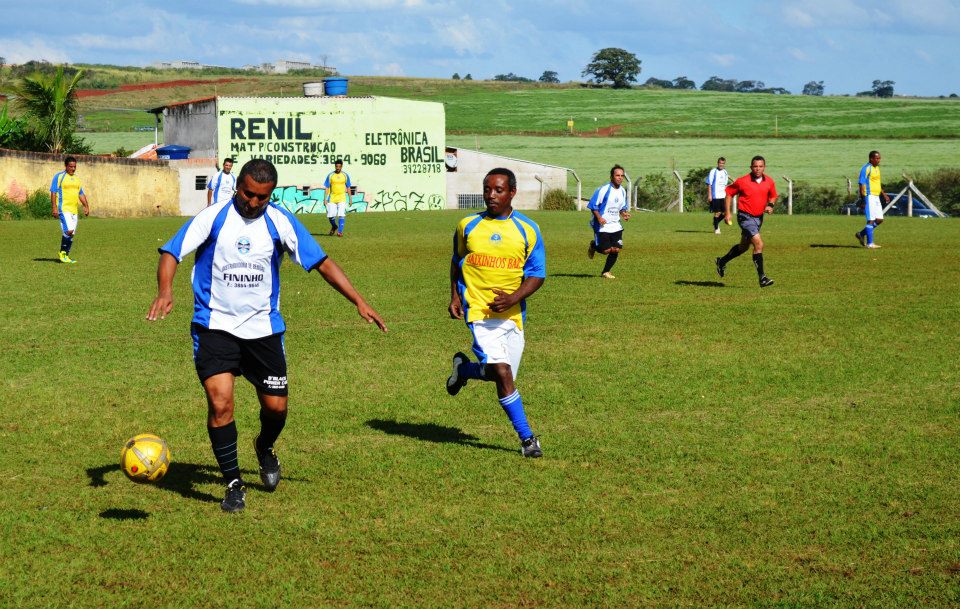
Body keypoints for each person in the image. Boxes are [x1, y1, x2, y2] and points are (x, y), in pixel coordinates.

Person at [146, 159, 387, 513]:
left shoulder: (280, 221)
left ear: (270, 193)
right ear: (238, 186)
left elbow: (322, 263)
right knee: (220, 403)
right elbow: (171, 252)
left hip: (264, 330)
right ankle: (232, 484)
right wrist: (165, 290)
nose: (253, 202)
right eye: (247, 194)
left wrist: (359, 301)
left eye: (262, 197)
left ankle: (265, 446)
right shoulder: (213, 217)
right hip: (214, 326)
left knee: (276, 408)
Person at [446, 168, 546, 458]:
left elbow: (537, 274)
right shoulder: (467, 225)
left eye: (498, 190)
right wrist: (454, 294)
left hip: (513, 316)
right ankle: (528, 439)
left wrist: (514, 297)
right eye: (487, 189)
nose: (491, 195)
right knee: (502, 373)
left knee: (501, 376)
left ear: (512, 192)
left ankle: (463, 369)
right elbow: (456, 261)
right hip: (478, 312)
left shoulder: (528, 229)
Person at [715, 155, 777, 288]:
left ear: (764, 167)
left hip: (758, 218)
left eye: (760, 166)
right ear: (751, 167)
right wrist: (728, 213)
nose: (758, 169)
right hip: (745, 217)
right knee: (759, 245)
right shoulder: (742, 181)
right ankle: (762, 278)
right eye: (755, 166)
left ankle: (721, 261)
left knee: (743, 247)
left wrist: (770, 205)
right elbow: (729, 193)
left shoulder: (769, 182)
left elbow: (772, 195)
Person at [586, 164, 631, 279]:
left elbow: (622, 207)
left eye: (622, 176)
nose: (620, 177)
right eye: (617, 175)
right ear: (612, 177)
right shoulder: (603, 190)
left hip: (616, 225)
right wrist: (599, 217)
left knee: (616, 249)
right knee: (606, 250)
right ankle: (593, 246)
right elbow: (593, 206)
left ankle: (606, 272)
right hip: (602, 226)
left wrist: (624, 214)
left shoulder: (622, 191)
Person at [50, 156, 90, 264]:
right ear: (66, 166)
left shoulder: (77, 179)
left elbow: (80, 193)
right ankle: (62, 253)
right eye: (71, 166)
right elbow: (53, 192)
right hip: (63, 209)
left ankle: (66, 255)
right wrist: (54, 207)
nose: (73, 169)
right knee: (69, 230)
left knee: (71, 234)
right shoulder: (59, 177)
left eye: (74, 167)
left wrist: (86, 206)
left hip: (74, 210)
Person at [855, 150, 890, 249]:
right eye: (877, 158)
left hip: (876, 196)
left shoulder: (877, 168)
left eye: (879, 158)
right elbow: (861, 184)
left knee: (879, 219)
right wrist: (863, 199)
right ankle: (870, 244)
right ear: (871, 159)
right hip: (869, 196)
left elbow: (877, 183)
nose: (879, 160)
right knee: (870, 220)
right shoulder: (866, 168)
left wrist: (884, 194)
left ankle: (861, 234)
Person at [323, 159, 352, 236]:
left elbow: (348, 187)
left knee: (341, 214)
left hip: (342, 198)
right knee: (331, 215)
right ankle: (334, 226)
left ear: (341, 166)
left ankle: (340, 232)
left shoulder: (345, 175)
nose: (338, 168)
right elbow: (327, 187)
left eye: (339, 166)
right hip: (332, 198)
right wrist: (325, 199)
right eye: (336, 166)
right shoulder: (330, 175)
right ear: (335, 166)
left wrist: (350, 198)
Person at [705, 157, 729, 234]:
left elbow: (725, 184)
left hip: (723, 195)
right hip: (715, 195)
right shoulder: (713, 171)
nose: (721, 164)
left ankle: (716, 222)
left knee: (725, 213)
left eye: (723, 163)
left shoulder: (725, 172)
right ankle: (716, 229)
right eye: (720, 163)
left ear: (724, 164)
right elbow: (709, 183)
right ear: (717, 163)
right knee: (717, 212)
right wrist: (709, 195)